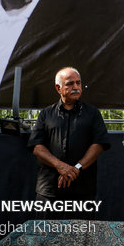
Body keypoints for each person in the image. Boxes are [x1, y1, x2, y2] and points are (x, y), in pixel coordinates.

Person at [27, 67, 110, 219]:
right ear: (58, 88)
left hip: (82, 192)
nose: (76, 87)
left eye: (78, 83)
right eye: (70, 84)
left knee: (81, 239)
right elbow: (37, 147)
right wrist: (60, 166)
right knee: (46, 238)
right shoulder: (46, 114)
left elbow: (99, 144)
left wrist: (76, 168)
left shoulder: (92, 113)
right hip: (49, 191)